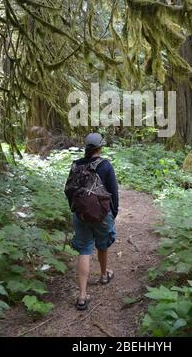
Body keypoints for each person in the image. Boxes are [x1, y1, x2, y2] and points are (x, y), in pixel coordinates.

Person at [65, 133, 119, 310]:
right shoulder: (105, 165)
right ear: (100, 147)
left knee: (84, 249)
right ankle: (104, 275)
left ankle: (82, 296)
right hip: (102, 214)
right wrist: (113, 213)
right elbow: (113, 193)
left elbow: (68, 190)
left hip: (80, 213)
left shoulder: (76, 164)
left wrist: (76, 209)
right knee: (102, 244)